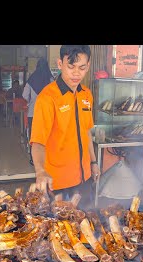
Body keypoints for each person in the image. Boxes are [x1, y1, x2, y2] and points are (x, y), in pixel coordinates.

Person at [30, 45, 100, 207]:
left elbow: (86, 131)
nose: (76, 73)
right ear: (60, 64)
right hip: (57, 183)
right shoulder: (47, 98)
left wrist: (94, 162)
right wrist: (40, 171)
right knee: (60, 229)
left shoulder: (86, 94)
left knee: (86, 224)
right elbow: (38, 142)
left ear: (88, 66)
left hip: (84, 179)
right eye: (71, 67)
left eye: (82, 67)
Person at [22, 58, 54, 165]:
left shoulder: (31, 79)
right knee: (48, 136)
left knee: (34, 137)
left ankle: (33, 159)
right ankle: (47, 158)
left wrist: (31, 100)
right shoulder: (51, 79)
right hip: (48, 113)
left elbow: (24, 95)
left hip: (33, 112)